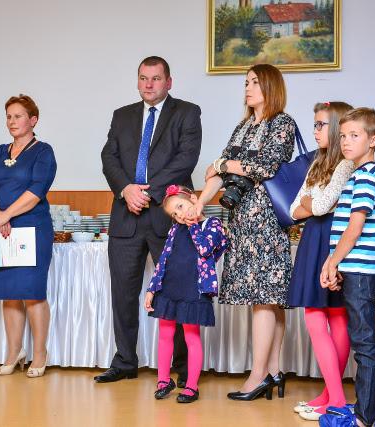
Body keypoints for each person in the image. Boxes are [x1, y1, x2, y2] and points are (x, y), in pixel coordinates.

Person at [191, 64, 295, 400]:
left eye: (254, 82)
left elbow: (264, 166)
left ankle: (258, 375)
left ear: (270, 87)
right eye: (246, 82)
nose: (247, 88)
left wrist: (222, 164)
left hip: (266, 221)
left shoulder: (282, 123)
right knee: (267, 300)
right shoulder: (243, 127)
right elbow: (220, 173)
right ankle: (274, 371)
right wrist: (199, 202)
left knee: (265, 299)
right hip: (241, 221)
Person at [97, 56, 202, 384]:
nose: (149, 84)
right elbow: (109, 157)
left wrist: (149, 191)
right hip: (125, 214)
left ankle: (183, 368)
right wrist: (126, 189)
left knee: (175, 292)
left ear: (169, 82)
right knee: (123, 294)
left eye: (156, 78)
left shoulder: (187, 112)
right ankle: (125, 361)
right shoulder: (122, 115)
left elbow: (186, 158)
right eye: (143, 78)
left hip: (167, 214)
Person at [0, 94, 57, 378]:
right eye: (9, 116)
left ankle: (40, 354)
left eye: (18, 116)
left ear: (33, 120)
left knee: (32, 293)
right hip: (0, 229)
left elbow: (36, 191)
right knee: (8, 294)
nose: (12, 121)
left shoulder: (43, 151)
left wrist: (5, 215)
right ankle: (14, 352)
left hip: (32, 228)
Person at [287, 101, 354, 421]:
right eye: (314, 124)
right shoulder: (317, 162)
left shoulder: (346, 164)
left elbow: (321, 205)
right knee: (318, 316)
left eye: (320, 125)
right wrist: (311, 203)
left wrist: (310, 202)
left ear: (338, 126)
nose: (315, 131)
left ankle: (336, 399)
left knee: (333, 315)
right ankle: (329, 395)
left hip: (332, 238)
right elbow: (293, 210)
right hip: (314, 237)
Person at [319, 107, 375, 427]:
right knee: (362, 340)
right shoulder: (357, 175)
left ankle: (365, 417)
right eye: (343, 135)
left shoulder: (368, 176)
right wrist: (336, 264)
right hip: (353, 267)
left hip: (361, 270)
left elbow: (355, 228)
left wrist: (333, 261)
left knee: (364, 342)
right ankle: (366, 410)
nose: (345, 141)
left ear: (373, 140)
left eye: (354, 135)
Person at [144, 185, 227, 403]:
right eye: (175, 213)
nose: (180, 215)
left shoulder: (213, 225)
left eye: (181, 207)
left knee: (191, 336)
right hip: (169, 287)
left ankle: (191, 386)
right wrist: (152, 289)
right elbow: (163, 260)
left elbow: (204, 249)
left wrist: (193, 225)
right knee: (165, 334)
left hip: (194, 289)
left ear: (193, 199)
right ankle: (163, 380)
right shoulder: (175, 229)